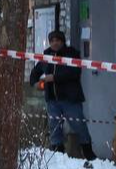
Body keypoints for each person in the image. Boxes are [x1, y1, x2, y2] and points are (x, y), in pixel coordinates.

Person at [29, 29, 97, 160]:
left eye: (57, 40)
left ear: (62, 41)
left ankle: (88, 153)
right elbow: (35, 72)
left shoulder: (71, 53)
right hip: (52, 100)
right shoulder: (46, 55)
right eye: (52, 41)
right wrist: (35, 83)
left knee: (79, 126)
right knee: (54, 128)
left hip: (70, 99)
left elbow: (74, 72)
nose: (55, 43)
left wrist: (54, 77)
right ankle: (58, 155)